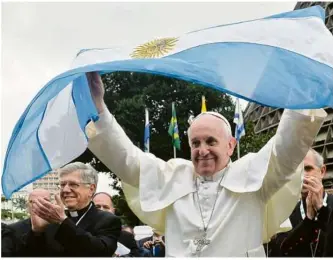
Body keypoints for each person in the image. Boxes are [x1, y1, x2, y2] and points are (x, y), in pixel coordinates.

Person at [86, 71, 327, 257]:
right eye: (195, 143)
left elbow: (287, 146)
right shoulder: (172, 177)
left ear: (231, 145)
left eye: (211, 141)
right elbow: (126, 159)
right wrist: (99, 108)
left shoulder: (255, 175)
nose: (202, 150)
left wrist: (301, 91)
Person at [23, 162, 121, 256]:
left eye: (73, 184)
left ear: (91, 189)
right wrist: (37, 232)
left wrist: (63, 221)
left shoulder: (108, 220)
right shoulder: (52, 218)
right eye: (62, 185)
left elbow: (100, 253)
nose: (65, 190)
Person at [266, 149, 333, 257]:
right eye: (297, 171)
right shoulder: (286, 213)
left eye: (308, 168)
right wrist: (308, 219)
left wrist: (321, 209)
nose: (302, 175)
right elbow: (280, 252)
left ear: (322, 171)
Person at [1, 189, 51, 257]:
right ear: (27, 206)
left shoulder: (61, 228)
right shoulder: (12, 230)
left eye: (44, 201)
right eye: (33, 202)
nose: (38, 205)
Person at [92, 192, 141, 257]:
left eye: (106, 207)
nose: (101, 210)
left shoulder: (127, 237)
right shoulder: (80, 234)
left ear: (113, 211)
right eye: (97, 207)